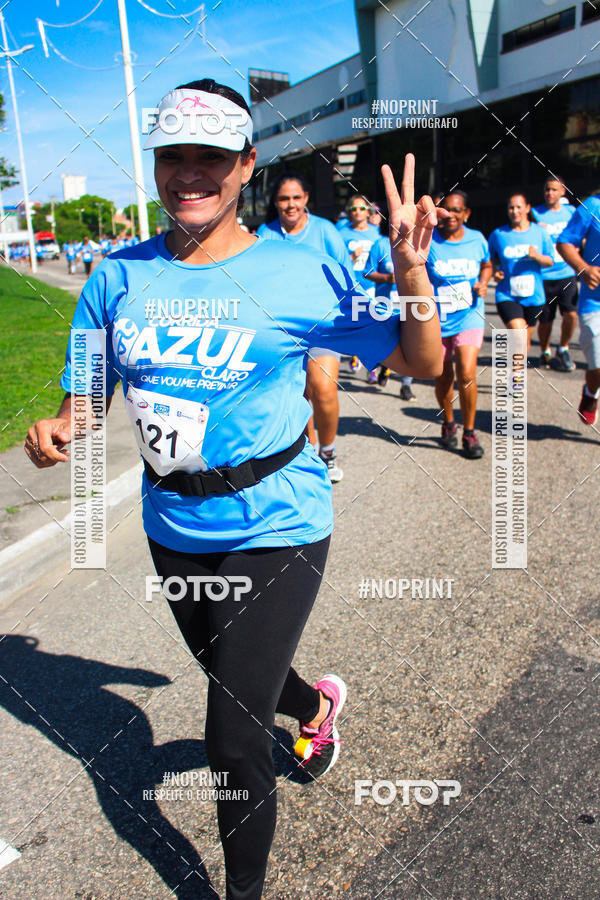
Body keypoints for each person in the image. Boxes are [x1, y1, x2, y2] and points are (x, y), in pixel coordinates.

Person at [24, 78, 443, 900]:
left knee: (229, 732)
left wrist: (410, 269)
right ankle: (314, 707)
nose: (188, 174)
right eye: (172, 156)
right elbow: (85, 385)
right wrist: (62, 427)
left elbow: (423, 364)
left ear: (246, 165)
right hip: (174, 520)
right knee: (227, 670)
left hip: (279, 518)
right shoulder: (118, 278)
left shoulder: (299, 272)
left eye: (209, 158)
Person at [257, 173, 353, 482]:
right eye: (284, 199)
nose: (290, 204)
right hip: (280, 329)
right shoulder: (266, 234)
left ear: (306, 199)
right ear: (275, 202)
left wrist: (355, 325)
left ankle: (327, 451)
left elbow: (347, 278)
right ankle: (307, 449)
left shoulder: (326, 231)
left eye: (296, 198)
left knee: (322, 388)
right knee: (297, 394)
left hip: (323, 323)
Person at [425, 190, 492, 458]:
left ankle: (470, 432)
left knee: (466, 372)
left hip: (469, 314)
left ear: (466, 213)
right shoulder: (428, 242)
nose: (449, 215)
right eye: (445, 210)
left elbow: (486, 264)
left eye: (455, 210)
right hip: (437, 319)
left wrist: (484, 282)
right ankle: (449, 423)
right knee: (443, 376)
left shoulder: (477, 239)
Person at [488, 192, 554, 355]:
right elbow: (488, 260)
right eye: (511, 207)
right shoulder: (499, 235)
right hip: (507, 295)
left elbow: (550, 261)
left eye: (518, 207)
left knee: (524, 341)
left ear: (527, 208)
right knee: (519, 335)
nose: (514, 211)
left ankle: (516, 377)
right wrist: (495, 272)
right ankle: (515, 378)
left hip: (534, 296)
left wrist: (537, 256)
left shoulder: (539, 232)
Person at [557, 193, 600, 425]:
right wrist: (584, 268)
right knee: (597, 366)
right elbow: (565, 242)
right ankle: (591, 392)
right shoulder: (593, 206)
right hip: (596, 302)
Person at [365, 225, 417, 400]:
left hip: (409, 304)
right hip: (385, 304)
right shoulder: (380, 245)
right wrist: (387, 278)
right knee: (386, 344)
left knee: (410, 345)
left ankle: (406, 385)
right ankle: (384, 365)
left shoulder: (416, 243)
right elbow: (368, 272)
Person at [532, 175, 578, 370]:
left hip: (567, 272)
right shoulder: (535, 213)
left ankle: (564, 348)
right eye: (546, 190)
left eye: (553, 189)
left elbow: (579, 236)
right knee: (546, 320)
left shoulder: (571, 212)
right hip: (544, 275)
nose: (549, 193)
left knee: (571, 314)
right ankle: (545, 351)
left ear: (562, 192)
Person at [337, 194, 381, 376]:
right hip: (350, 285)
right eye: (354, 208)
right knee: (356, 323)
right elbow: (335, 260)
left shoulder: (376, 233)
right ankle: (357, 352)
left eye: (362, 208)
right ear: (349, 212)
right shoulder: (341, 233)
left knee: (372, 324)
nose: (357, 212)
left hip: (371, 284)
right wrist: (352, 257)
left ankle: (373, 366)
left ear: (368, 212)